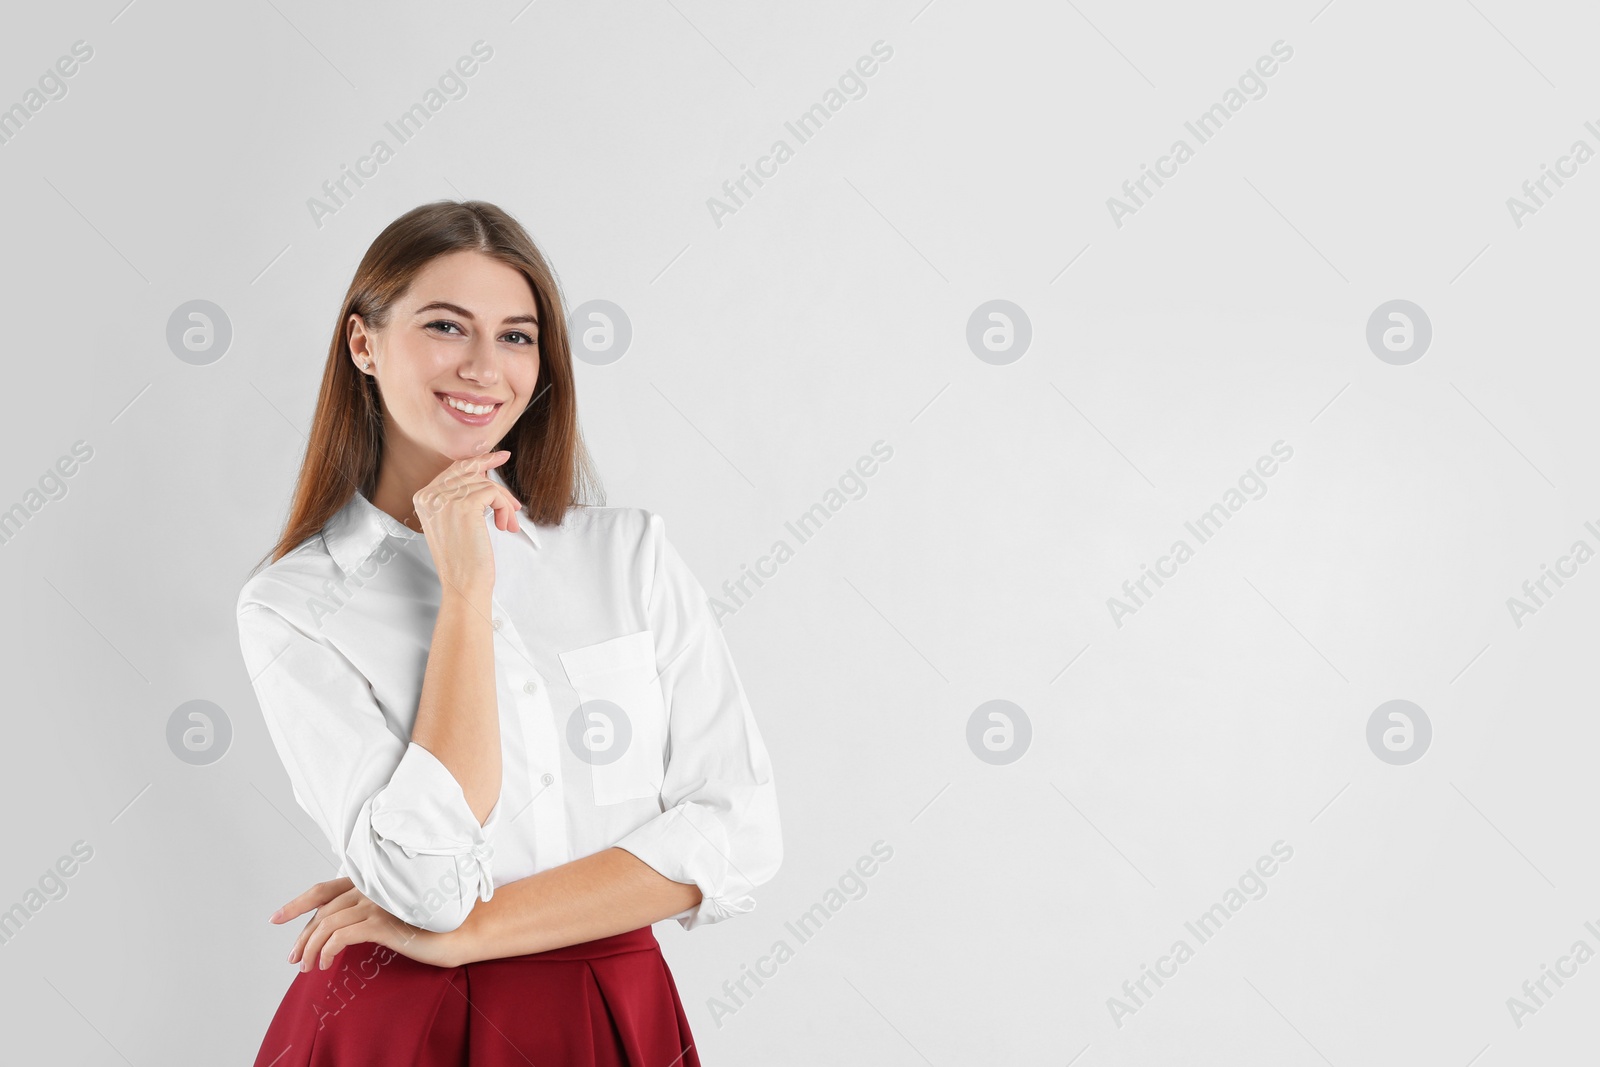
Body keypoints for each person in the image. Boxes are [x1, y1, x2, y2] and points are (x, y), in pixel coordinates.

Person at [234, 199, 781, 1065]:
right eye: (447, 326)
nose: (485, 367)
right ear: (362, 345)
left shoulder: (627, 556)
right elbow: (427, 883)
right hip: (393, 1021)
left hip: (605, 1007)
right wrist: (464, 591)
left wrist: (465, 933)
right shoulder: (294, 604)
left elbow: (738, 834)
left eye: (518, 336)